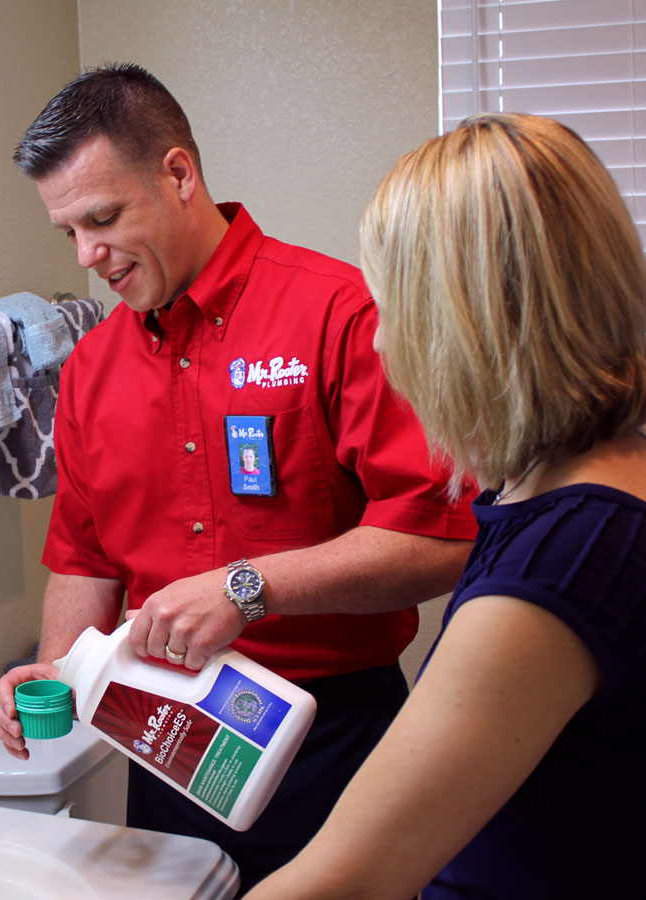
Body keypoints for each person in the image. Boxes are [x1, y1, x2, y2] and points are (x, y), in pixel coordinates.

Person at [0, 64, 478, 889]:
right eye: (67, 232)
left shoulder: (338, 314)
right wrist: (57, 667)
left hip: (331, 741)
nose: (87, 256)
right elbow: (85, 556)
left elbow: (442, 537)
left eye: (103, 219)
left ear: (179, 174)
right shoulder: (92, 367)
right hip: (160, 741)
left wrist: (248, 587)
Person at [245, 113, 646, 900]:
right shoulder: (561, 487)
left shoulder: (569, 556)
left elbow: (345, 883)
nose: (387, 347)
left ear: (471, 324)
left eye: (396, 309)